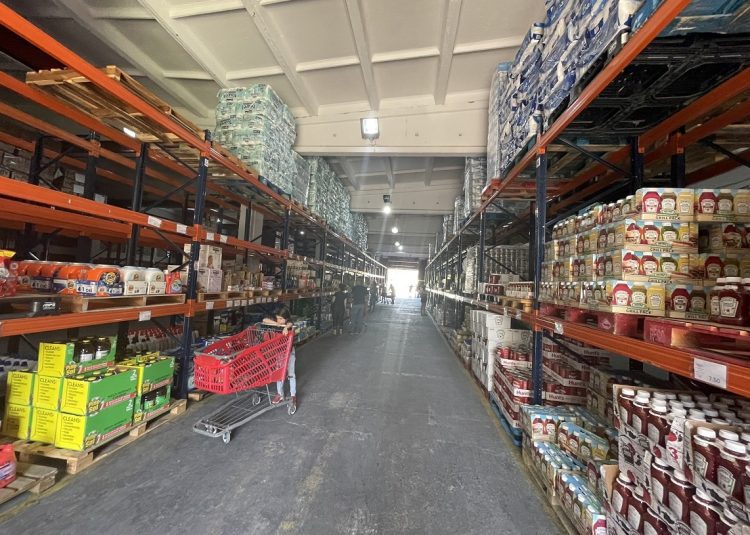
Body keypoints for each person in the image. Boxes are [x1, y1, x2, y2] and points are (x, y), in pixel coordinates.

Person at [262, 305, 296, 406]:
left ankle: (293, 394)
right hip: (279, 353)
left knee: (291, 374)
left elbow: (290, 323)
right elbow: (264, 320)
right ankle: (279, 394)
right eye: (278, 318)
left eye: (281, 318)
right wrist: (277, 324)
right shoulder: (277, 322)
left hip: (289, 353)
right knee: (279, 374)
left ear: (286, 318)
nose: (279, 320)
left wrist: (285, 327)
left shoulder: (289, 324)